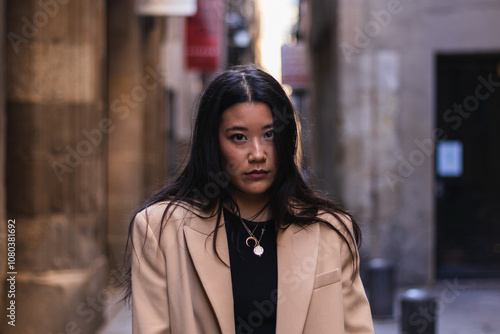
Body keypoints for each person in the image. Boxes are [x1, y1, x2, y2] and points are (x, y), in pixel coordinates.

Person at [123, 64, 374, 334]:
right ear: (213, 143)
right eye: (239, 137)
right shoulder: (160, 231)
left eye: (269, 134)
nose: (257, 153)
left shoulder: (330, 231)